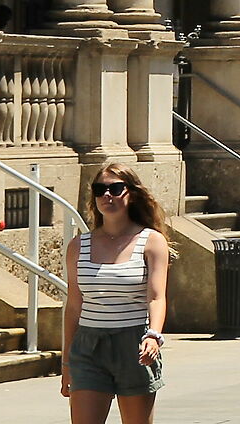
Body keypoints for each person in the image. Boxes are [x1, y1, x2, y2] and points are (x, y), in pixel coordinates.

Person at [62, 162, 169, 423]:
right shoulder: (79, 246)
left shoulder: (151, 241)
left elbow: (156, 297)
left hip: (133, 344)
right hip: (88, 347)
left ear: (131, 193)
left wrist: (154, 335)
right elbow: (74, 306)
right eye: (100, 189)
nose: (107, 195)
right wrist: (66, 363)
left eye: (115, 188)